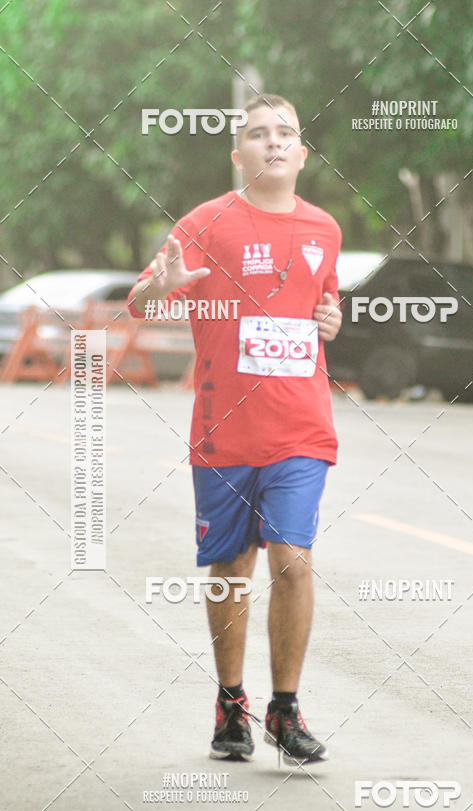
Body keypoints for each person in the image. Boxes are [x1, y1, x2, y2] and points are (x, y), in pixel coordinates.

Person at [128, 93, 342, 765]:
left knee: (292, 559)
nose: (273, 142)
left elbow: (321, 307)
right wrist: (165, 287)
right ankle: (231, 702)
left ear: (302, 153)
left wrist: (332, 322)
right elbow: (139, 299)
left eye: (285, 133)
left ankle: (285, 707)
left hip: (302, 428)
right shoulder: (206, 223)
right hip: (224, 429)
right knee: (232, 567)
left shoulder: (325, 229)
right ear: (237, 154)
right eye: (257, 134)